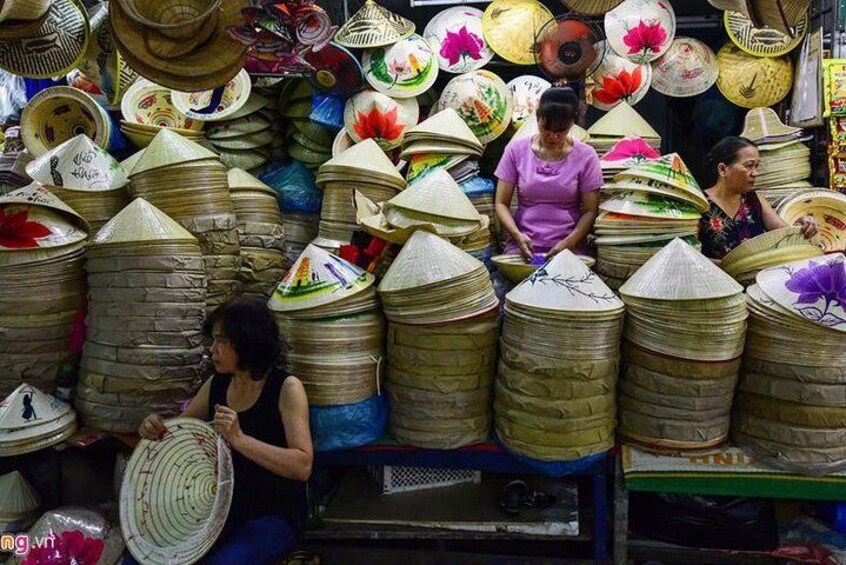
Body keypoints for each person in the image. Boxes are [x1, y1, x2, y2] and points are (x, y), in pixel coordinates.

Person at [135, 297, 312, 565]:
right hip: (221, 511)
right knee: (142, 558)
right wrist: (154, 427)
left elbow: (302, 465)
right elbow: (177, 435)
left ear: (246, 342)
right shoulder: (216, 385)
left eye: (220, 341)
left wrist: (239, 439)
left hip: (273, 516)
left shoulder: (287, 388)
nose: (212, 350)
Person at [494, 86, 603, 261]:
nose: (552, 136)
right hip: (523, 245)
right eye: (546, 129)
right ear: (537, 118)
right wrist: (516, 236)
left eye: (560, 131)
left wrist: (569, 243)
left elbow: (590, 211)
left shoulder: (586, 156)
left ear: (571, 124)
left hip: (569, 248)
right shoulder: (515, 150)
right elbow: (501, 203)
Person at [699, 136, 818, 260]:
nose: (755, 173)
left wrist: (803, 226)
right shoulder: (700, 204)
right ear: (723, 169)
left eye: (756, 166)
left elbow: (786, 234)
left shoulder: (755, 201)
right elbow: (691, 255)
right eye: (749, 166)